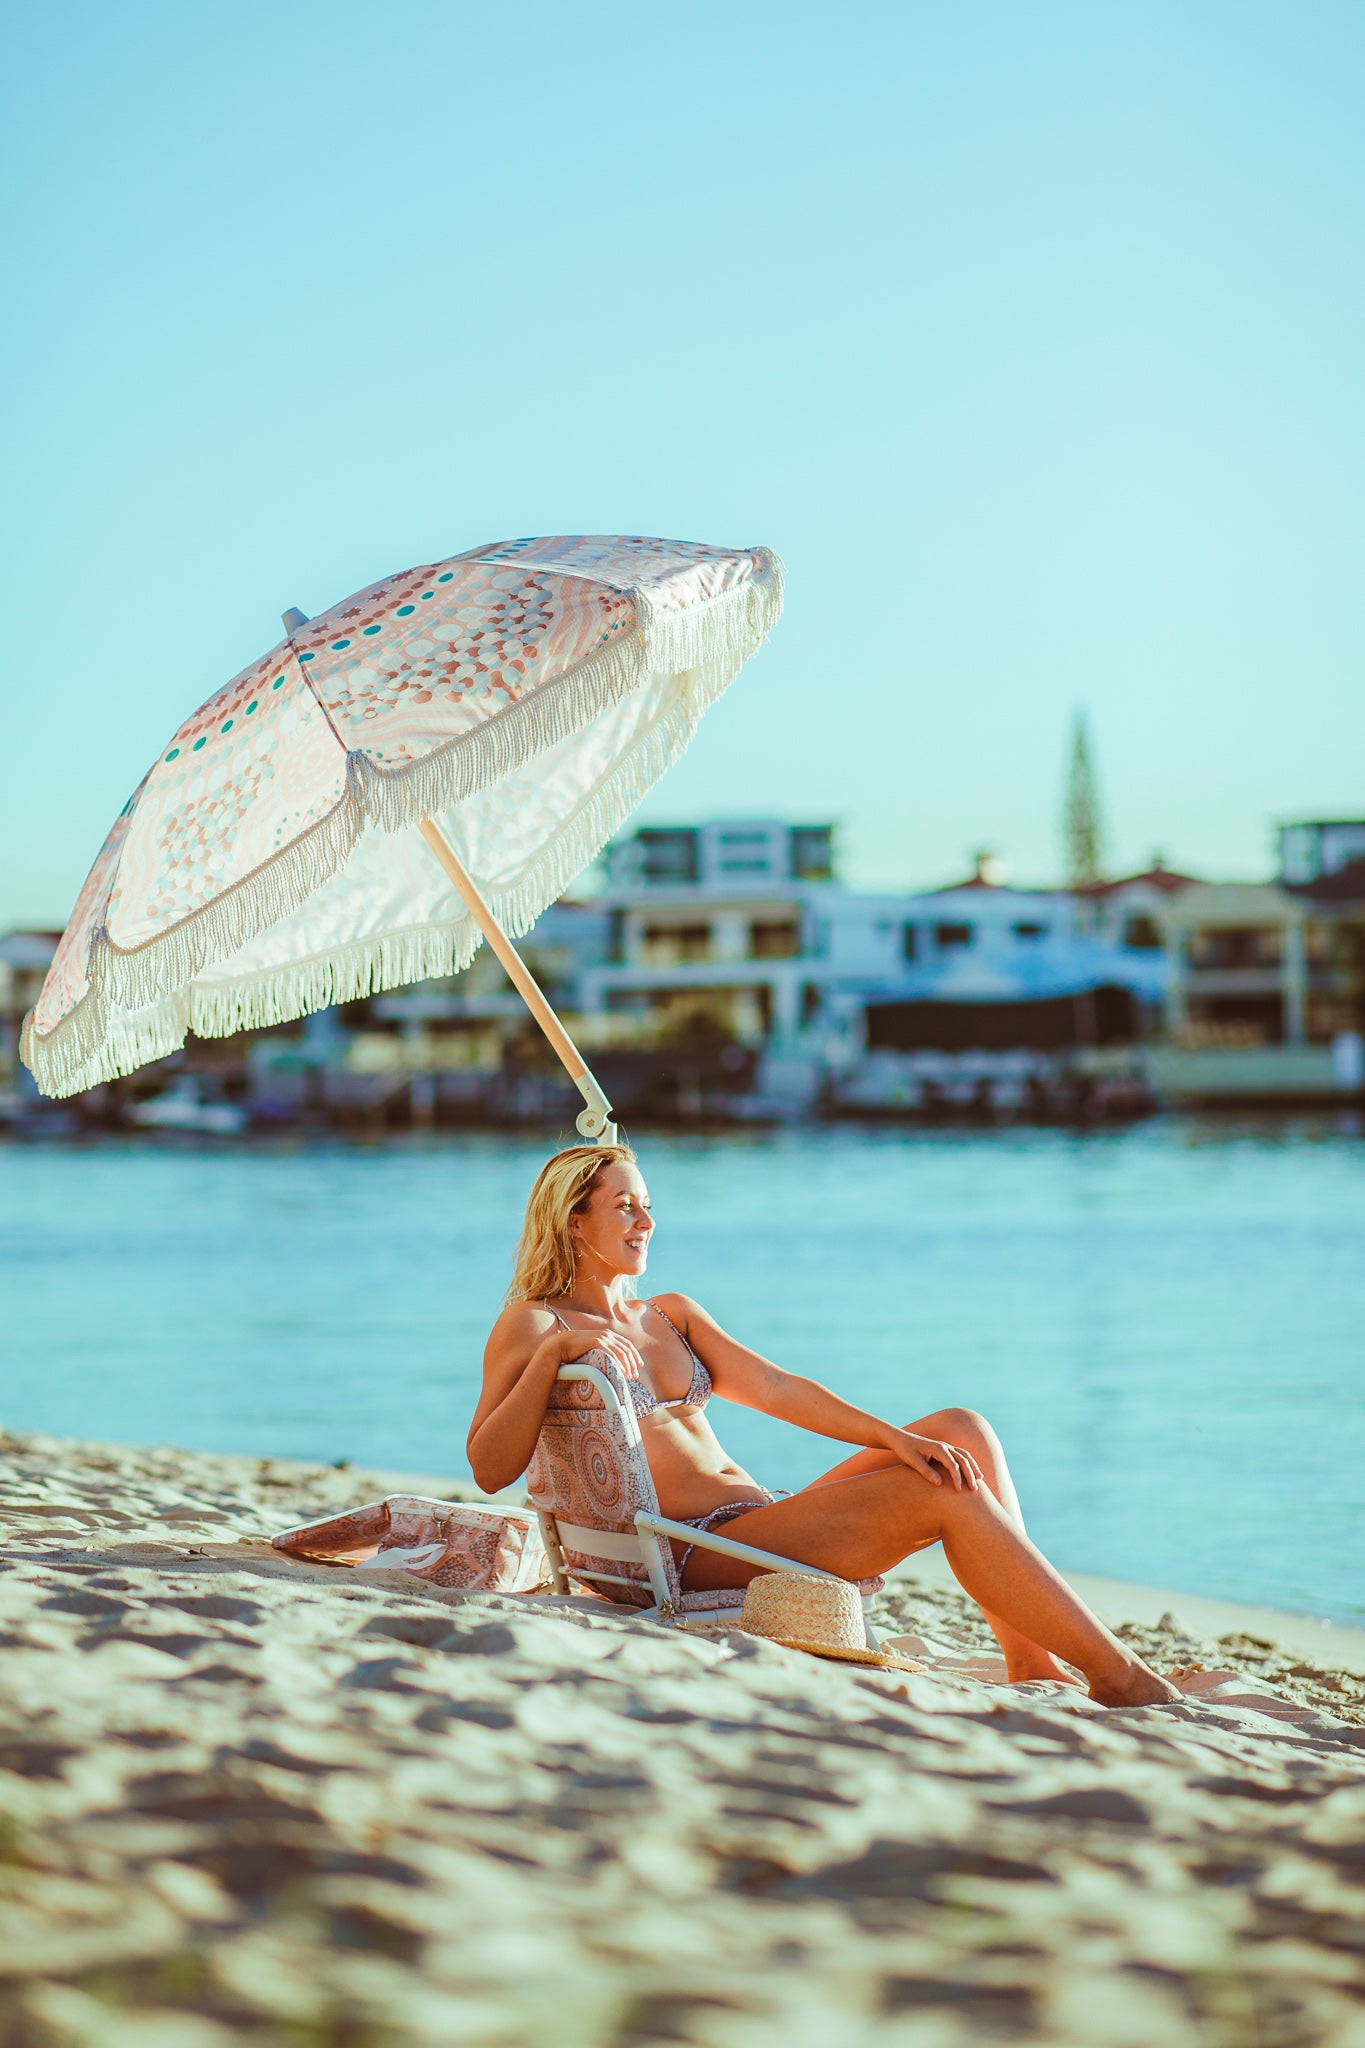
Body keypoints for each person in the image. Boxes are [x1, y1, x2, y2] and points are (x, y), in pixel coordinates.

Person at [469, 1144, 1181, 1708]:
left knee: (960, 1430)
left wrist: (893, 1438)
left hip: (752, 1521)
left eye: (648, 1205)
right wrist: (554, 1357)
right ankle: (1117, 1677)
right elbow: (489, 1467)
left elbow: (778, 1389)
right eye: (625, 1207)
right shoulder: (532, 1322)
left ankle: (1031, 1660)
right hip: (686, 1551)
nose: (646, 1222)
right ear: (572, 1220)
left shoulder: (668, 1313)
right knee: (940, 1497)